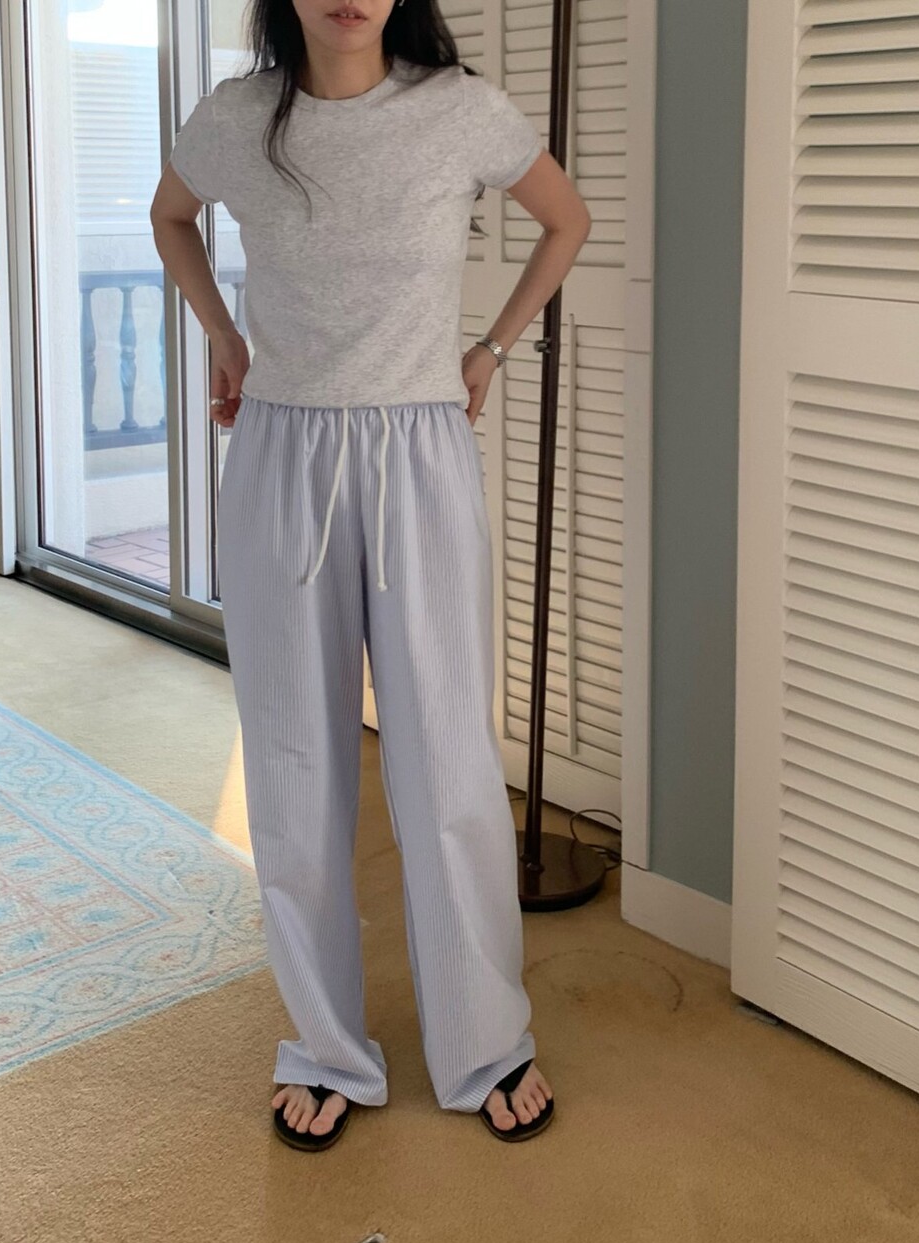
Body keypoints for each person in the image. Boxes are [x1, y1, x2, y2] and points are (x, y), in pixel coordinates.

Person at [150, 0, 591, 1151]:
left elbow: (565, 220)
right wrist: (224, 337)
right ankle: (327, 1048)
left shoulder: (458, 110)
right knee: (292, 763)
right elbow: (171, 215)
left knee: (448, 760)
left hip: (419, 453)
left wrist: (489, 350)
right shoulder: (238, 115)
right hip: (280, 455)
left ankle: (485, 1039)